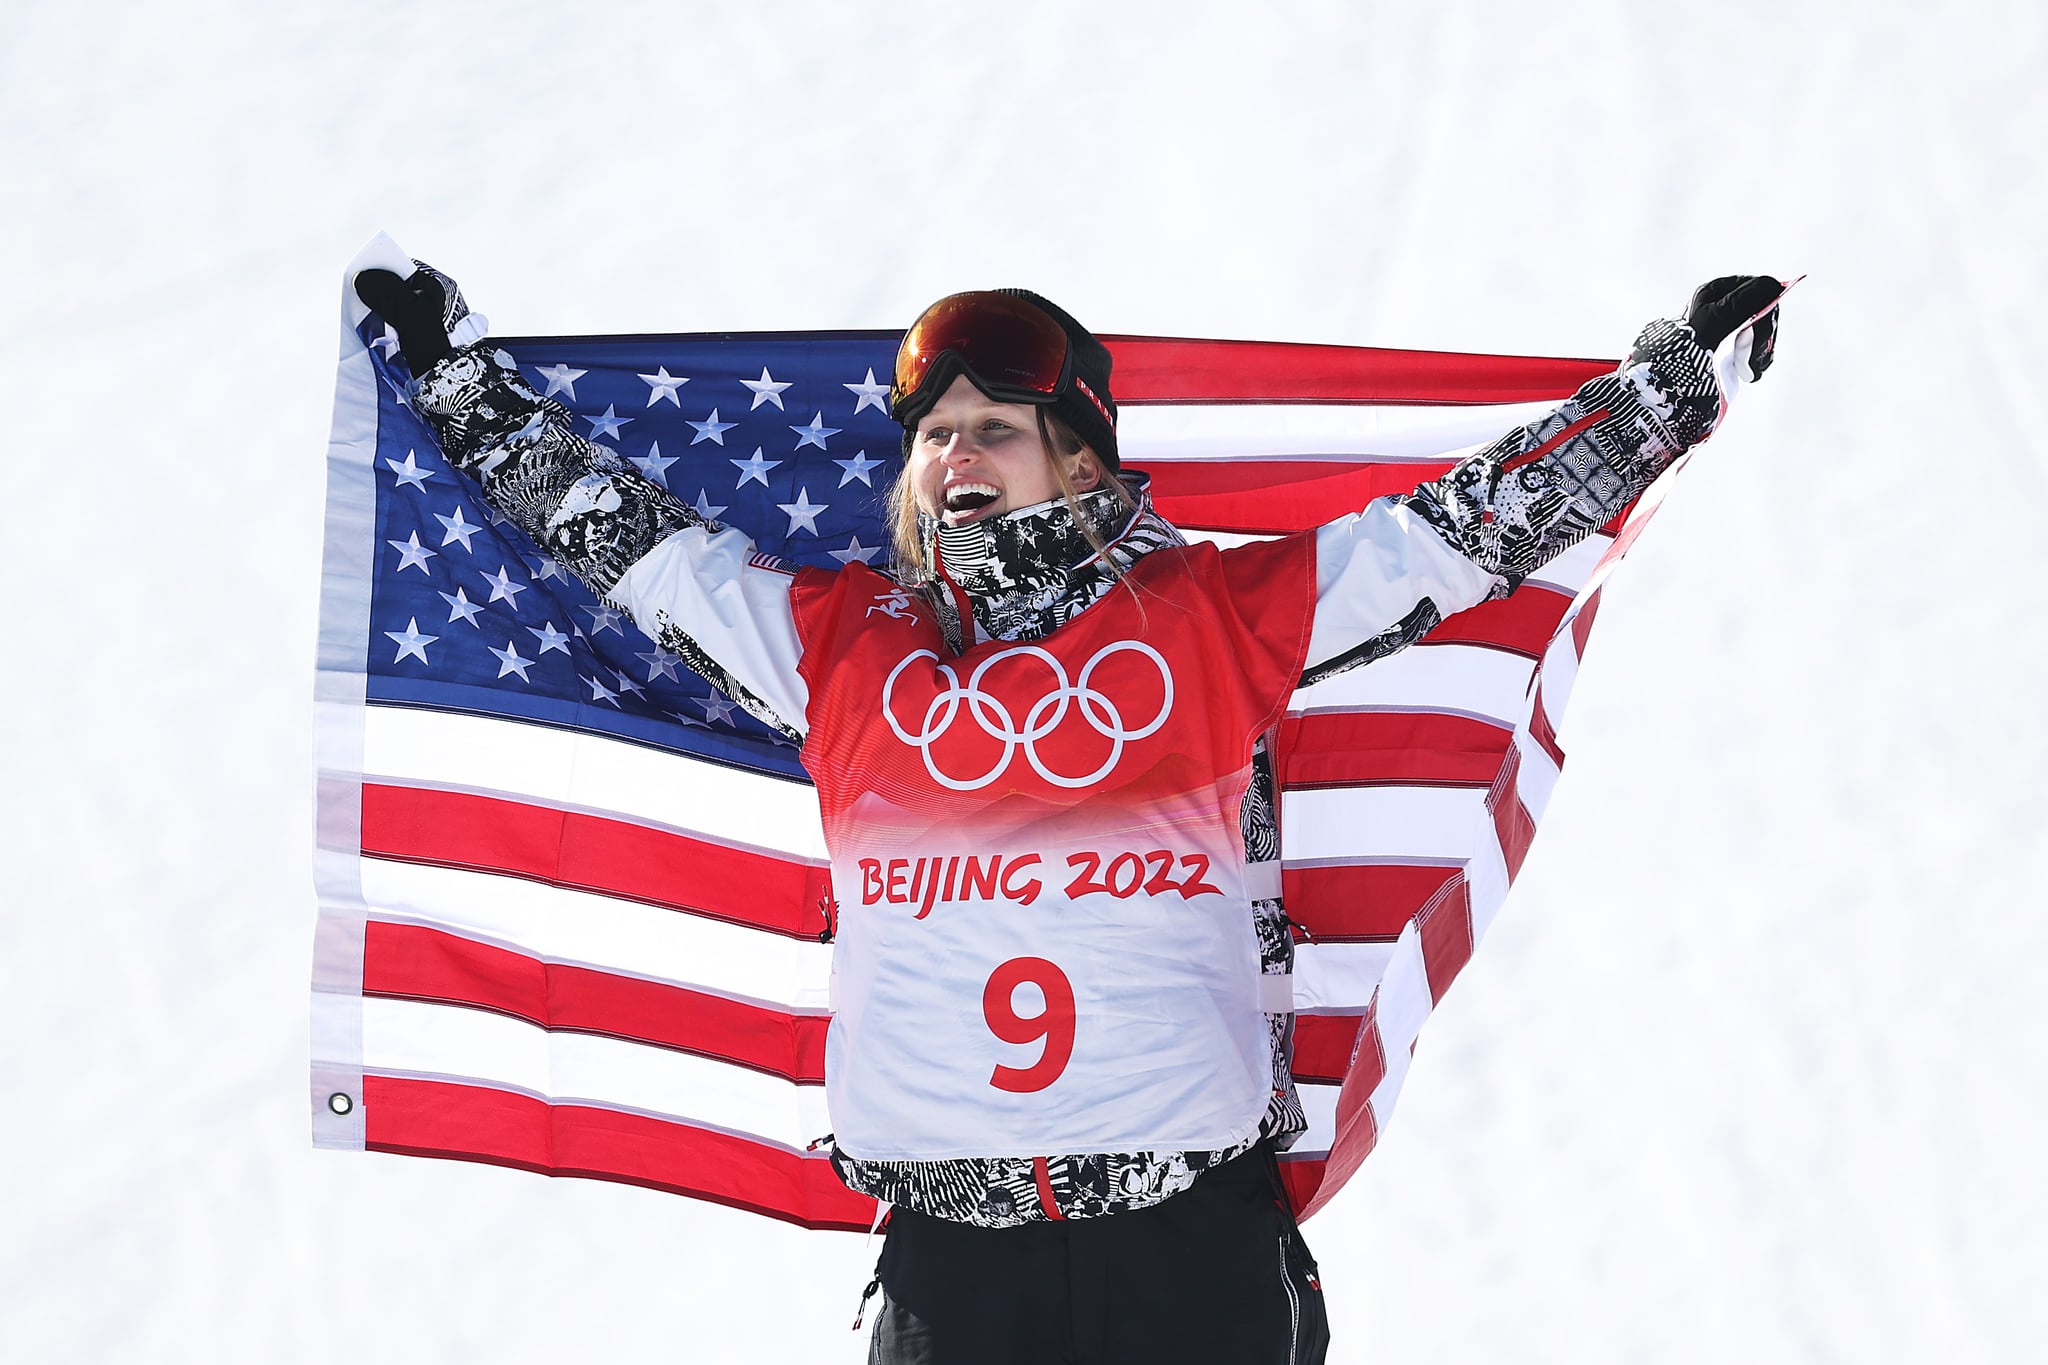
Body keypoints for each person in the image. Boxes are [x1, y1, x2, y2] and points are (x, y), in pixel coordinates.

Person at [353, 265, 1787, 1365]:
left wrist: (1666, 396)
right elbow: (630, 542)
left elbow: (1467, 531)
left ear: (1082, 460)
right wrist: (456, 380)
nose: (955, 452)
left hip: (1186, 1252)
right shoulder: (836, 643)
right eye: (934, 433)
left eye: (996, 426)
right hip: (950, 1272)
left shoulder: (1213, 618)